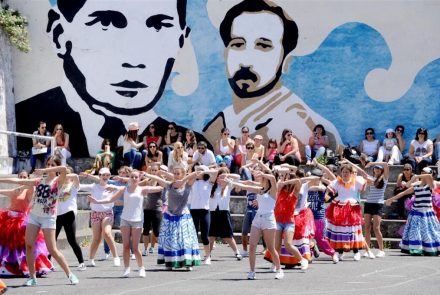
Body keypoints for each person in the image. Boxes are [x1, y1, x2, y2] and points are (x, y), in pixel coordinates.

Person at [15, 0, 192, 157]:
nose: (134, 60)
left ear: (180, 39)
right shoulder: (24, 114)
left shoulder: (196, 142)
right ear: (59, 35)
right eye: (106, 22)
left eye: (158, 25)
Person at [203, 0, 341, 151]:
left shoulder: (303, 120)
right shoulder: (222, 121)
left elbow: (332, 156)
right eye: (238, 44)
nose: (246, 61)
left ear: (285, 62)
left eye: (263, 46)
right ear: (226, 54)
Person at [0, 157, 79, 286]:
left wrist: (45, 169)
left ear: (55, 167)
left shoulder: (58, 181)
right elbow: (16, 180)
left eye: (52, 165)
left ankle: (70, 274)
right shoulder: (39, 180)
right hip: (34, 216)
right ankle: (32, 277)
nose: (49, 166)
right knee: (29, 246)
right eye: (47, 163)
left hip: (49, 218)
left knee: (52, 249)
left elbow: (64, 169)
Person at [89, 170, 163, 277]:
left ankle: (141, 268)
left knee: (135, 247)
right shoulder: (124, 189)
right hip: (125, 220)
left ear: (139, 179)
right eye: (132, 177)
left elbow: (162, 186)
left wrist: (149, 175)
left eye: (136, 177)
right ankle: (126, 268)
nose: (133, 179)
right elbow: (111, 199)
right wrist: (97, 202)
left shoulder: (143, 190)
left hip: (137, 220)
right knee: (126, 246)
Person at [227, 167, 284, 280]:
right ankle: (252, 271)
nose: (260, 180)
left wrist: (263, 173)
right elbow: (246, 186)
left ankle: (279, 269)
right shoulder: (260, 189)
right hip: (258, 219)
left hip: (269, 220)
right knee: (252, 246)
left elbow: (272, 177)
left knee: (271, 248)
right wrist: (231, 182)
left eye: (262, 178)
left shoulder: (273, 190)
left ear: (265, 179)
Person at [144, 167, 201, 270]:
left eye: (178, 173)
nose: (175, 175)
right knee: (170, 240)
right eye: (174, 173)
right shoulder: (169, 185)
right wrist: (146, 175)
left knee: (184, 240)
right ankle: (170, 262)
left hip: (183, 216)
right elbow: (157, 179)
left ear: (183, 174)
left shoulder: (187, 185)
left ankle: (187, 263)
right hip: (170, 215)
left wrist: (183, 180)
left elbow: (195, 174)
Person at [0, 171, 53, 277]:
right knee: (8, 246)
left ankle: (27, 267)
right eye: (20, 177)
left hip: (21, 221)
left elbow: (28, 186)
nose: (22, 178)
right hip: (9, 220)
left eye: (24, 177)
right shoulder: (14, 191)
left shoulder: (29, 189)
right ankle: (11, 266)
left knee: (24, 246)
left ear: (28, 178)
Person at [385, 169, 440, 256]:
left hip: (427, 213)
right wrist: (391, 199)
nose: (424, 175)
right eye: (423, 173)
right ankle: (416, 249)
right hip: (416, 212)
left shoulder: (431, 184)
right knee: (415, 232)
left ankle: (429, 249)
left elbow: (429, 177)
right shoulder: (416, 185)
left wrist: (417, 176)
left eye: (426, 173)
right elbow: (404, 191)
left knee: (429, 232)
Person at [325, 160, 366, 261]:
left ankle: (356, 251)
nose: (345, 174)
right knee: (340, 230)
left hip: (352, 208)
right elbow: (328, 191)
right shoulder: (337, 182)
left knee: (353, 230)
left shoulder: (356, 181)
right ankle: (340, 251)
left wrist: (349, 162)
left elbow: (366, 180)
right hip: (339, 207)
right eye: (343, 172)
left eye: (347, 172)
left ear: (351, 173)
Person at [80, 168, 121, 267]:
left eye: (107, 175)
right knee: (96, 238)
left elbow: (124, 188)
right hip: (95, 213)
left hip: (107, 213)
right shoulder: (94, 186)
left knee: (107, 233)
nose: (105, 177)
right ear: (99, 176)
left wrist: (115, 189)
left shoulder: (112, 186)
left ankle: (116, 257)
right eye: (103, 175)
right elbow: (80, 186)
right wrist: (73, 179)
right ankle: (91, 258)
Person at [208, 168, 243, 262]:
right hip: (213, 212)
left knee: (228, 236)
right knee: (211, 236)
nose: (222, 179)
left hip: (224, 212)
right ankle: (208, 255)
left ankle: (237, 252)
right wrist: (217, 175)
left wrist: (227, 176)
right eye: (220, 177)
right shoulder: (212, 185)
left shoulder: (229, 185)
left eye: (224, 177)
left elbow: (238, 177)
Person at [55, 167, 86, 271]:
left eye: (66, 174)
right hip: (58, 215)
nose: (63, 176)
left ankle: (81, 262)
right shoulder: (58, 186)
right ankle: (48, 263)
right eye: (61, 174)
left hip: (69, 214)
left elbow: (76, 176)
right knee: (52, 240)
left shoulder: (73, 186)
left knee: (71, 240)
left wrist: (64, 175)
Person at [360, 162, 390, 258]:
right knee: (367, 228)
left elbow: (385, 164)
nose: (376, 169)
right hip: (369, 204)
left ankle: (381, 250)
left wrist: (373, 162)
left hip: (378, 204)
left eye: (378, 168)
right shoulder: (370, 179)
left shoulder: (384, 179)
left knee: (376, 228)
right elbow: (361, 171)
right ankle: (367, 249)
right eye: (375, 168)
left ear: (381, 170)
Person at [141, 164, 166, 256]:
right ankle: (145, 249)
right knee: (146, 230)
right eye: (152, 171)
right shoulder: (148, 181)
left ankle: (161, 249)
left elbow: (155, 189)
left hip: (157, 209)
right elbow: (147, 186)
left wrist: (157, 178)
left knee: (157, 231)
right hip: (147, 208)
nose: (154, 172)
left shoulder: (161, 182)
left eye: (156, 170)